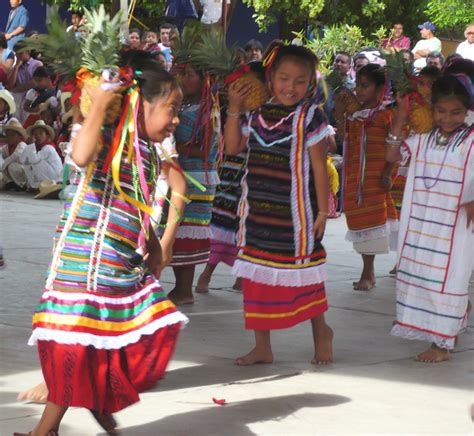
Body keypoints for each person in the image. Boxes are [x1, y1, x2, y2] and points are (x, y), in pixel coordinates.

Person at [14, 60, 188, 436]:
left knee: (104, 344)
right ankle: (46, 429)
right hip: (84, 264)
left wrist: (157, 243)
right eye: (172, 109)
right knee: (76, 346)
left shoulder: (147, 149)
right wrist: (100, 104)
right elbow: (79, 155)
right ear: (141, 103)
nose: (176, 120)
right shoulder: (106, 136)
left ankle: (89, 404)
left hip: (119, 265)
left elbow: (137, 205)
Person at [224, 44, 333, 366]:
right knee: (256, 280)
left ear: (310, 85)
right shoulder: (256, 113)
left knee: (306, 275)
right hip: (257, 213)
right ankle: (262, 346)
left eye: (300, 81)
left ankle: (321, 331)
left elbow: (318, 166)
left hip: (297, 216)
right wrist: (234, 106)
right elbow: (233, 147)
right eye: (284, 78)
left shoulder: (311, 116)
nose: (291, 87)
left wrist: (324, 211)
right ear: (271, 79)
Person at [385, 73, 473, 363]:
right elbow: (391, 154)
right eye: (441, 111)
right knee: (424, 279)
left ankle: (442, 346)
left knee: (448, 279)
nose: (448, 118)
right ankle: (448, 325)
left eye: (456, 112)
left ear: (467, 110)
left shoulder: (470, 141)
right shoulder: (423, 138)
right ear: (432, 109)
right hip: (422, 224)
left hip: (456, 226)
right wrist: (401, 115)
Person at [167, 63, 220, 305]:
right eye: (182, 74)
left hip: (196, 177)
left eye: (189, 74)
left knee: (186, 233)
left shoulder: (210, 111)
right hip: (180, 173)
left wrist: (176, 147)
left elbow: (207, 150)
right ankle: (180, 287)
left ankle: (184, 289)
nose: (184, 79)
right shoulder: (185, 104)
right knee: (177, 231)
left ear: (204, 81)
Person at [343, 64, 398, 291]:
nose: (359, 90)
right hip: (356, 179)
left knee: (374, 222)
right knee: (361, 222)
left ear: (379, 89)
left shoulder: (387, 115)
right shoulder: (355, 116)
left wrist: (387, 173)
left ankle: (369, 271)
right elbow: (348, 144)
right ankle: (367, 271)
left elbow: (396, 148)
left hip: (376, 179)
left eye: (365, 86)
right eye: (357, 85)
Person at [20, 119, 63, 192]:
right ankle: (35, 186)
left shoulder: (49, 148)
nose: (38, 136)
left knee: (38, 163)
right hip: (45, 176)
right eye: (35, 134)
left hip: (55, 178)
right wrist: (30, 145)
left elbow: (35, 160)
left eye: (41, 133)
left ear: (47, 135)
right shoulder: (34, 148)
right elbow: (22, 160)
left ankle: (44, 186)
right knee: (27, 164)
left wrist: (31, 145)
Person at [8, 41, 42, 123]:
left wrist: (17, 89)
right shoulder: (15, 67)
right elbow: (10, 85)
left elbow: (34, 82)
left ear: (28, 51)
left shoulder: (37, 64)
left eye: (20, 53)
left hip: (31, 100)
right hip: (17, 101)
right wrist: (16, 67)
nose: (18, 56)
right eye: (17, 54)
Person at [0, 117, 27, 190]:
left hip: (25, 174)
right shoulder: (6, 147)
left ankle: (21, 185)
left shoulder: (22, 145)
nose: (9, 137)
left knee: (12, 166)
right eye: (8, 135)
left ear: (19, 136)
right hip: (10, 174)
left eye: (12, 135)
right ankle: (11, 183)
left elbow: (15, 156)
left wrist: (2, 166)